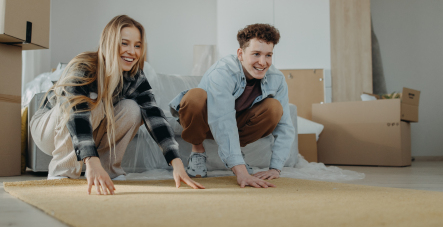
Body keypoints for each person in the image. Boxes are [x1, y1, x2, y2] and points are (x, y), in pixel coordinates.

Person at [30, 15, 204, 195]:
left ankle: (108, 170)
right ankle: (62, 172)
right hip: (49, 129)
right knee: (93, 100)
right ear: (110, 43)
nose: (132, 51)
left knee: (133, 109)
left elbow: (154, 115)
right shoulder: (83, 66)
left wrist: (176, 161)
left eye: (137, 46)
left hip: (91, 125)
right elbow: (77, 113)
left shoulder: (134, 76)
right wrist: (91, 160)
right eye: (124, 43)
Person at [169, 23, 295, 188]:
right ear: (240, 54)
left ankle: (237, 157)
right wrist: (241, 172)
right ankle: (198, 151)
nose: (263, 62)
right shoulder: (223, 72)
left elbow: (285, 126)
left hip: (237, 123)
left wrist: (276, 168)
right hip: (206, 122)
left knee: (274, 108)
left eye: (268, 55)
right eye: (256, 54)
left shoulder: (276, 79)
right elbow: (223, 120)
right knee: (195, 97)